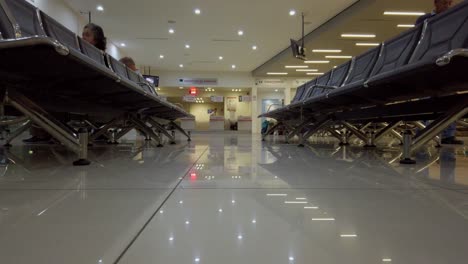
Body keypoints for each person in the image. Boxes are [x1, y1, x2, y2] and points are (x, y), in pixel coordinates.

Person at [24, 23, 107, 144]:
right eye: (83, 35)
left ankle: (44, 133)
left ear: (96, 39)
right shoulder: (80, 53)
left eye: (87, 35)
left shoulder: (99, 56)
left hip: (86, 93)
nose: (83, 38)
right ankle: (43, 132)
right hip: (76, 89)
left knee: (50, 94)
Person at [415, 0, 463, 145]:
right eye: (444, 3)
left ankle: (448, 135)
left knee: (450, 100)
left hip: (448, 64)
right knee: (425, 100)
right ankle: (423, 132)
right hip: (429, 63)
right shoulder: (424, 20)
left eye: (449, 3)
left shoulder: (456, 19)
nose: (447, 6)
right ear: (436, 3)